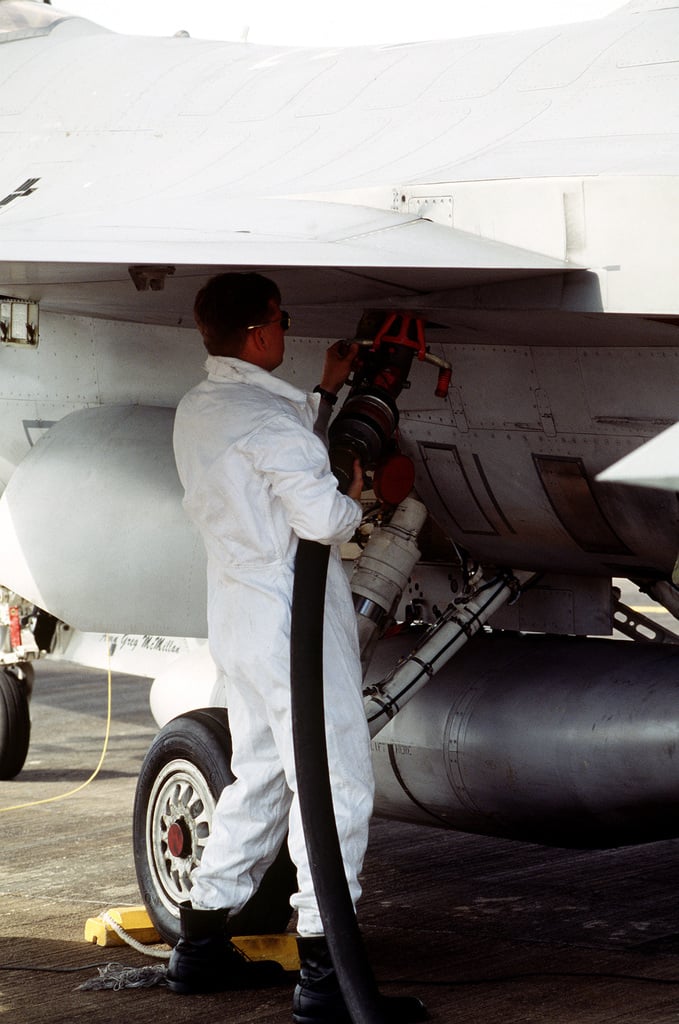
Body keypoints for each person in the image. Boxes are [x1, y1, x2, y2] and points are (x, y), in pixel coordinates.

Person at [170, 272, 427, 1024]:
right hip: (293, 620)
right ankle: (325, 972)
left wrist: (323, 394)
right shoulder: (273, 426)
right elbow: (324, 521)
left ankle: (201, 940)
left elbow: (263, 455)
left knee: (260, 774)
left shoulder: (204, 405)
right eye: (280, 319)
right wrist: (360, 494)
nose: (285, 328)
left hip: (238, 615)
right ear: (259, 334)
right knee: (337, 782)